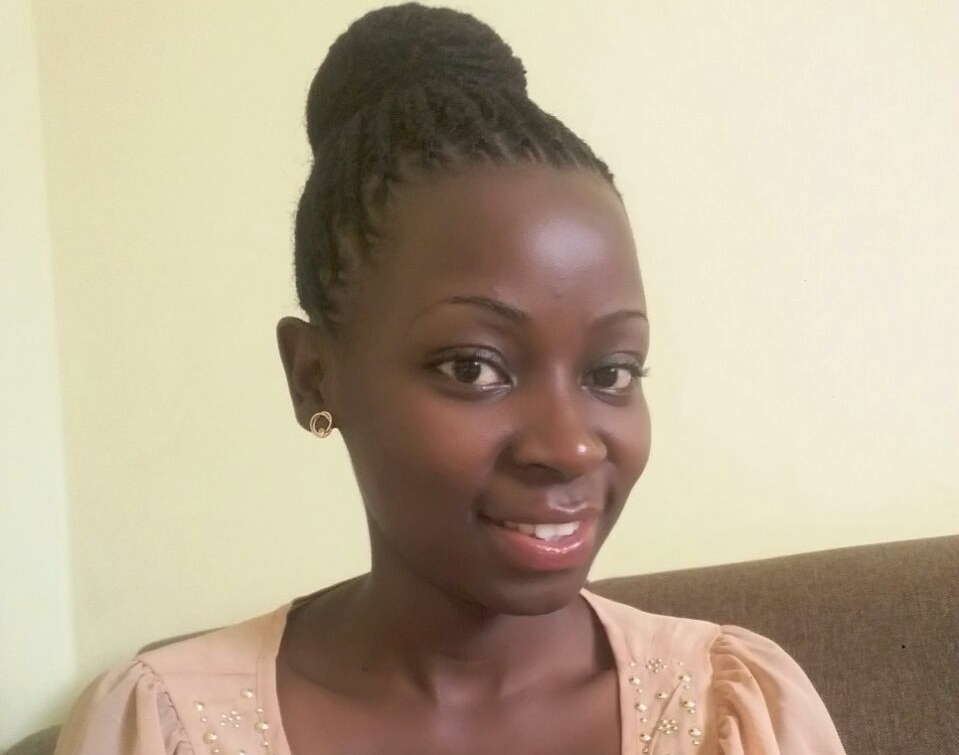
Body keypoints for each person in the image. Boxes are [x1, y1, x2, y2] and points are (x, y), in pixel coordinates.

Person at [54, 5, 847, 755]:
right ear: (312, 376)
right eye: (473, 367)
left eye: (611, 371)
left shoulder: (735, 709)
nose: (568, 446)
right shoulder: (161, 724)